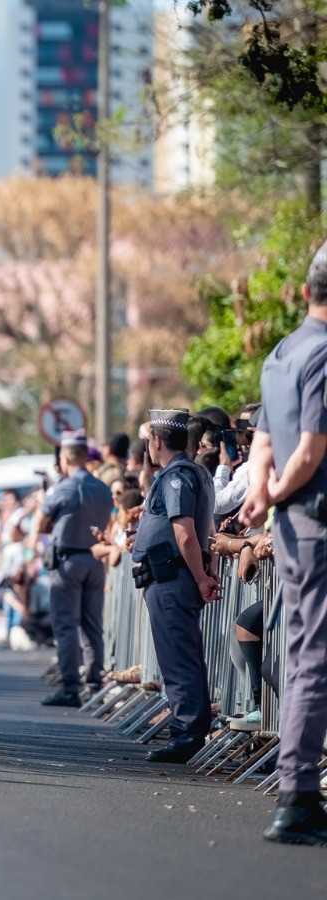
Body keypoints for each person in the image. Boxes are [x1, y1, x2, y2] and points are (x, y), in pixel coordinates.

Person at [241, 240, 327, 846]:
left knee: (303, 655)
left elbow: (264, 446)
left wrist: (262, 495)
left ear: (304, 292)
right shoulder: (323, 355)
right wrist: (274, 493)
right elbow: (312, 448)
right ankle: (297, 798)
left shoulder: (280, 352)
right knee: (315, 658)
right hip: (316, 517)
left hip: (292, 525)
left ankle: (296, 788)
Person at [134, 408, 218, 764]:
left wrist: (200, 577)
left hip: (173, 578)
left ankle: (187, 734)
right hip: (171, 577)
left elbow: (185, 533)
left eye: (149, 441)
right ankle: (191, 727)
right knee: (184, 656)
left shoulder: (176, 477)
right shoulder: (184, 472)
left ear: (156, 441)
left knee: (178, 659)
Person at [28, 431, 112, 706]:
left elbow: (38, 526)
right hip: (94, 561)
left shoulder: (62, 489)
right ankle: (95, 684)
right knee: (92, 626)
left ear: (64, 457)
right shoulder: (102, 488)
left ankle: (70, 688)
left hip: (66, 564)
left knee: (65, 627)